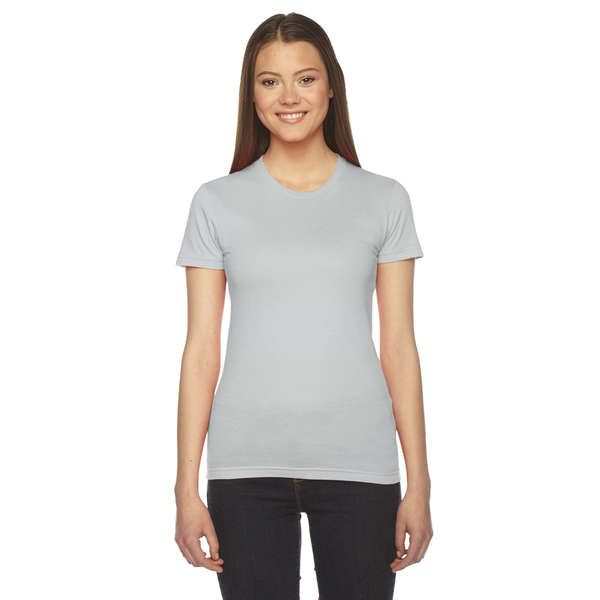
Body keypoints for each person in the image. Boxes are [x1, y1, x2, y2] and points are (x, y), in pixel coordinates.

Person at [174, 12, 433, 600]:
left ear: (331, 86)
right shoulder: (215, 203)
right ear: (252, 94)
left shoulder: (384, 200)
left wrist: (419, 484)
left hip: (360, 463)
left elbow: (399, 347)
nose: (288, 97)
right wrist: (185, 490)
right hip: (245, 468)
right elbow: (200, 350)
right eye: (270, 81)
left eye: (306, 79)